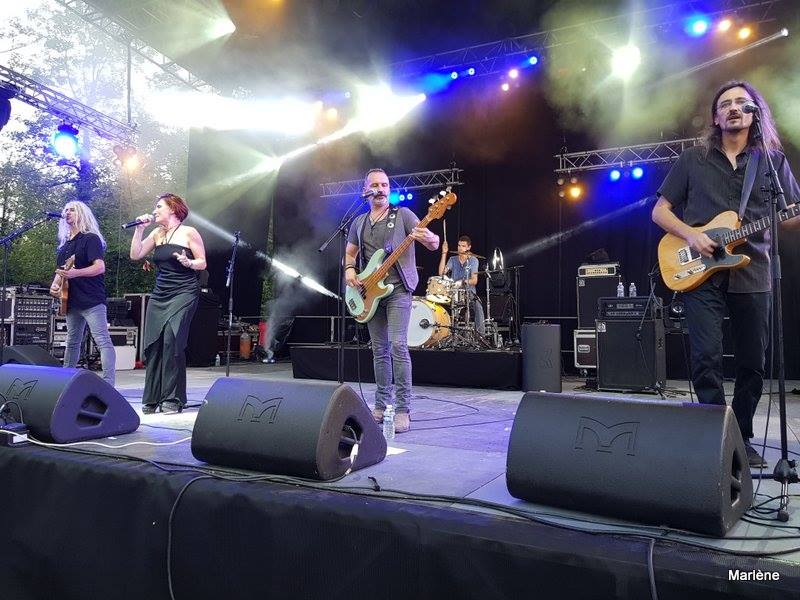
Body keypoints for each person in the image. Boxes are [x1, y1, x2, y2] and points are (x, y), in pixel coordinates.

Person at [652, 80, 800, 468]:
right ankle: (715, 437)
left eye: (741, 102)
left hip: (755, 270)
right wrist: (692, 235)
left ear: (755, 112)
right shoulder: (693, 159)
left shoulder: (772, 162)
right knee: (706, 357)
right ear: (716, 117)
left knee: (753, 363)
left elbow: (789, 217)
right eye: (725, 104)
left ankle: (741, 436)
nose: (733, 108)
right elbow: (660, 211)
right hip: (700, 272)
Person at [344, 168, 439, 433]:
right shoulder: (358, 222)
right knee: (379, 350)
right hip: (370, 293)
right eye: (375, 185)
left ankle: (403, 410)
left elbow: (433, 243)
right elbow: (350, 255)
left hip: (398, 290)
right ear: (366, 190)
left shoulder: (404, 215)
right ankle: (380, 405)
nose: (381, 189)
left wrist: (429, 237)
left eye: (385, 185)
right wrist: (350, 270)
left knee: (398, 345)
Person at [129, 193, 207, 413]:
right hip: (160, 293)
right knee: (154, 343)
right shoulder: (157, 233)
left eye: (158, 207)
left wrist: (189, 262)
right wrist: (139, 230)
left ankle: (172, 398)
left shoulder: (189, 232)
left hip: (184, 291)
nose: (154, 211)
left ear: (172, 209)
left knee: (172, 340)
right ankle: (153, 398)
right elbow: (135, 254)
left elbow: (202, 262)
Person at [50, 200, 116, 386]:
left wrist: (76, 273)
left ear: (81, 214)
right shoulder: (65, 246)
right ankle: (65, 382)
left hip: (92, 299)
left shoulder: (90, 238)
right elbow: (61, 272)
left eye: (72, 210)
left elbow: (99, 267)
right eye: (66, 210)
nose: (67, 213)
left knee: (102, 340)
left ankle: (109, 383)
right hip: (71, 301)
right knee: (72, 342)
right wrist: (54, 286)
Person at [438, 234, 486, 334]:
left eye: (463, 246)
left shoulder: (473, 260)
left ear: (469, 247)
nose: (460, 248)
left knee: (478, 307)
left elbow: (474, 280)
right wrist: (444, 253)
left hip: (469, 293)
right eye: (459, 245)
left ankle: (481, 335)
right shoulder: (452, 259)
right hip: (454, 292)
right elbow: (441, 273)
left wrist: (462, 282)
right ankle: (446, 333)